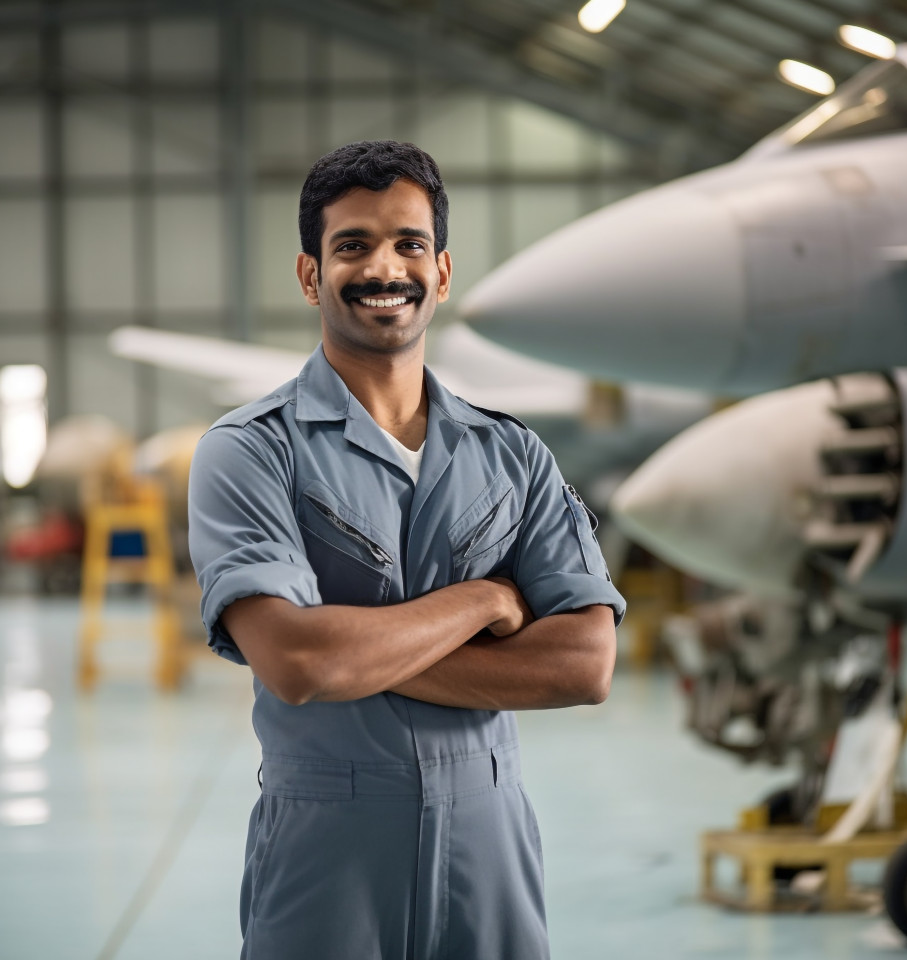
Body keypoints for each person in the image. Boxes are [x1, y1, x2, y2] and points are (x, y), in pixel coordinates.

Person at [188, 140, 626, 960]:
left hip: (490, 844)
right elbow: (299, 666)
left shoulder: (513, 455)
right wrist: (483, 602)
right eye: (352, 245)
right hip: (327, 844)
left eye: (408, 244)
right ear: (311, 275)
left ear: (443, 271)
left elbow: (584, 665)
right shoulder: (250, 452)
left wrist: (356, 648)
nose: (383, 267)